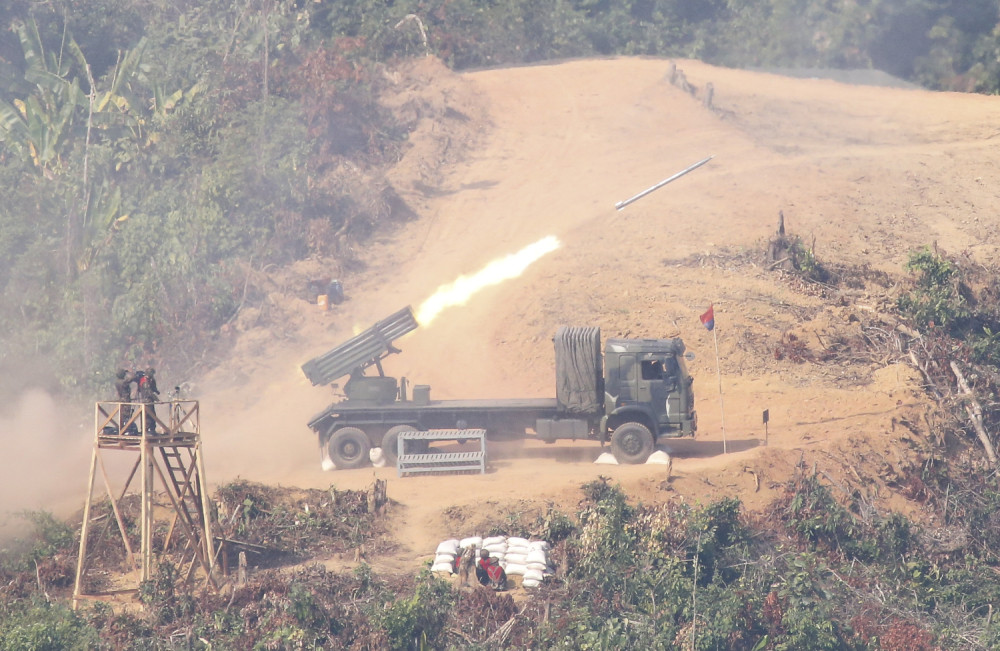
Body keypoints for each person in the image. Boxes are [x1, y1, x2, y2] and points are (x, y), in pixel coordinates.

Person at [114, 369, 138, 435]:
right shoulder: (123, 382)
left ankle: (124, 429)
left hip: (121, 399)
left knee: (123, 416)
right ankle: (126, 430)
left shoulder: (117, 382)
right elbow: (132, 378)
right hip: (126, 400)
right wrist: (132, 373)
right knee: (126, 415)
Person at [137, 367, 160, 433]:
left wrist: (156, 391)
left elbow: (153, 388)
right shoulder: (144, 382)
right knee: (147, 417)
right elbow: (149, 392)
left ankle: (152, 429)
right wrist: (157, 400)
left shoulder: (151, 380)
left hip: (150, 401)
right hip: (146, 401)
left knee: (153, 416)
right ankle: (146, 430)